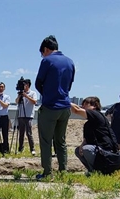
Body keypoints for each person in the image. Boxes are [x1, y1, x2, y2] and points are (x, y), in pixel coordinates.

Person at [35, 35, 75, 180]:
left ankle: (47, 173)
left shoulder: (47, 60)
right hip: (65, 106)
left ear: (45, 49)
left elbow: (38, 82)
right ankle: (63, 171)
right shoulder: (70, 62)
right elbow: (69, 84)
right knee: (61, 140)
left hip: (50, 106)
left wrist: (47, 94)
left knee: (46, 141)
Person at [70, 96, 120, 176]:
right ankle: (92, 170)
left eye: (86, 104)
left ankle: (97, 171)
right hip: (98, 149)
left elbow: (76, 110)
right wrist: (81, 145)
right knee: (79, 150)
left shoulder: (96, 114)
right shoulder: (88, 123)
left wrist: (65, 100)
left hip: (105, 150)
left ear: (94, 106)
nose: (83, 107)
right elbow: (86, 139)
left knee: (86, 149)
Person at [15, 79, 37, 155]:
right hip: (21, 115)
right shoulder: (21, 93)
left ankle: (32, 149)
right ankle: (20, 148)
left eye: (25, 85)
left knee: (29, 133)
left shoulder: (33, 93)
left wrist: (26, 96)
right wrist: (20, 95)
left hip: (28, 115)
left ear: (28, 85)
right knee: (21, 133)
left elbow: (34, 102)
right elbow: (16, 102)